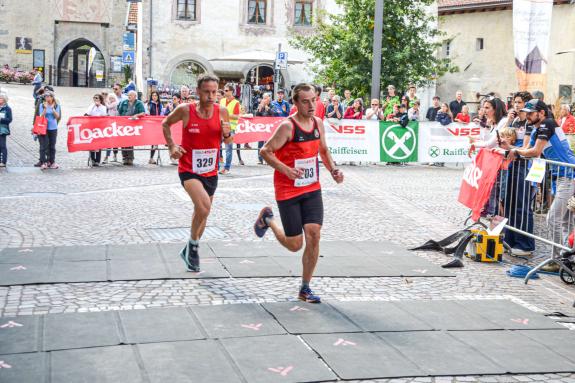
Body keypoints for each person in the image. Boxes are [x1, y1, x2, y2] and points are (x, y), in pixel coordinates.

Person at [254, 83, 344, 303]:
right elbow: (265, 151)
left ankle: (305, 287)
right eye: (305, 101)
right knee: (295, 245)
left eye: (313, 100)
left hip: (312, 187)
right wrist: (286, 170)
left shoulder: (318, 123)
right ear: (295, 103)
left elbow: (323, 150)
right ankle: (268, 219)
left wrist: (333, 169)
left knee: (314, 234)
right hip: (288, 189)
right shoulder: (287, 127)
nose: (311, 104)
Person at [161, 74, 232, 272]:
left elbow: (228, 142)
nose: (211, 96)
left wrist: (227, 133)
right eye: (207, 92)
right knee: (204, 206)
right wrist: (172, 146)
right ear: (198, 92)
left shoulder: (222, 111)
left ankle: (191, 247)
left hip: (211, 171)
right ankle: (193, 246)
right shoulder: (185, 110)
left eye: (214, 92)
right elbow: (165, 124)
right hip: (188, 169)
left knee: (203, 212)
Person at [502, 99, 575, 266]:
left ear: (541, 113)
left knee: (553, 218)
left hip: (569, 174)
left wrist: (515, 152)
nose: (527, 116)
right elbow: (529, 151)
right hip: (560, 176)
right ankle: (567, 258)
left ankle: (559, 260)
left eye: (530, 113)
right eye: (526, 113)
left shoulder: (547, 124)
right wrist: (509, 148)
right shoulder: (537, 129)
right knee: (565, 221)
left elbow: (535, 151)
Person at [117, 90, 146, 166]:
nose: (129, 96)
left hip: (133, 125)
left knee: (129, 141)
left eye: (130, 95)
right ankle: (124, 158)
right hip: (123, 124)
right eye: (128, 95)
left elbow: (143, 113)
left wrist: (136, 115)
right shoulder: (124, 102)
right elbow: (119, 112)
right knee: (123, 141)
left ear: (135, 96)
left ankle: (130, 158)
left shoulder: (139, 103)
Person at [220, 83, 242, 173]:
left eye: (226, 90)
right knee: (217, 147)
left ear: (231, 92)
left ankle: (227, 168)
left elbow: (237, 116)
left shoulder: (236, 102)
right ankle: (216, 167)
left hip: (230, 128)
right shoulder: (222, 101)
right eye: (224, 90)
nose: (224, 92)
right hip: (220, 127)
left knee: (228, 149)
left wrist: (226, 115)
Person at [38, 91, 61, 169]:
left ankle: (51, 162)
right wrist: (45, 108)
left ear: (52, 97)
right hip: (44, 127)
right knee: (44, 145)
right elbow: (41, 116)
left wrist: (52, 109)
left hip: (53, 128)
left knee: (52, 146)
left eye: (48, 96)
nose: (47, 98)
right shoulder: (42, 105)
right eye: (45, 96)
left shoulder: (57, 105)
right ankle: (43, 162)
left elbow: (57, 117)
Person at [85, 94, 108, 166]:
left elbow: (103, 114)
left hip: (99, 127)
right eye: (94, 98)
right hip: (92, 127)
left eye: (97, 98)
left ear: (100, 100)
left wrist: (99, 106)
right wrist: (93, 106)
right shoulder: (92, 106)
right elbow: (88, 113)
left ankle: (97, 160)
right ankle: (92, 159)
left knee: (98, 144)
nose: (95, 100)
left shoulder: (103, 107)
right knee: (92, 143)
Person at [256, 93, 274, 164]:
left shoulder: (273, 105)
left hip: (270, 128)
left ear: (269, 98)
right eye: (263, 98)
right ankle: (260, 159)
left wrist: (268, 109)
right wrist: (259, 109)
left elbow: (274, 114)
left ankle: (268, 160)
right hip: (262, 127)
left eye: (266, 98)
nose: (264, 100)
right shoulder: (261, 106)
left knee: (268, 143)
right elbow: (257, 116)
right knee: (260, 143)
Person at [147, 91, 163, 165]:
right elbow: (146, 113)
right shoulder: (149, 104)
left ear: (158, 97)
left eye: (155, 95)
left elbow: (162, 114)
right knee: (153, 142)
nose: (154, 97)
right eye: (153, 95)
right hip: (151, 125)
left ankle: (151, 158)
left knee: (155, 143)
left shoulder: (160, 105)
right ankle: (151, 158)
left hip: (158, 125)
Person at [103, 93, 119, 164]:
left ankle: (114, 155)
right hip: (109, 123)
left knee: (114, 140)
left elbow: (109, 107)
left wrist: (105, 101)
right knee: (109, 141)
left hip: (114, 123)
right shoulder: (111, 102)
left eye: (112, 98)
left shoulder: (115, 103)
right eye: (110, 98)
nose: (111, 99)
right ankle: (107, 156)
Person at [0, 93, 13, 168]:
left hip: (3, 129)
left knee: (2, 146)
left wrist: (1, 119)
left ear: (4, 100)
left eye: (1, 98)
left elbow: (9, 119)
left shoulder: (7, 108)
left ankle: (3, 161)